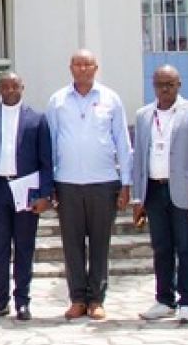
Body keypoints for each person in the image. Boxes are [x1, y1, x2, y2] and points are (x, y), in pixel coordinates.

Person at [46, 49, 133, 321]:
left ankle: (96, 299)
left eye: (88, 64)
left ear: (96, 68)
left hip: (103, 181)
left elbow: (122, 141)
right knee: (72, 244)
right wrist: (49, 182)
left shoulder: (111, 99)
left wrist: (126, 182)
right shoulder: (58, 100)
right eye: (78, 64)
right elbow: (50, 141)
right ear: (70, 68)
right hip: (67, 182)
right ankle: (77, 299)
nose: (83, 69)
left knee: (99, 243)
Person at [131, 65, 188, 324]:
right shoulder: (144, 115)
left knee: (186, 246)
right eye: (159, 84)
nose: (164, 90)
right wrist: (137, 198)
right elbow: (138, 160)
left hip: (184, 190)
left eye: (170, 84)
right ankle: (164, 299)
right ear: (152, 85)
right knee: (161, 247)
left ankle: (187, 302)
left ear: (179, 85)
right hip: (154, 189)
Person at [0, 70, 54, 322]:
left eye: (14, 86)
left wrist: (44, 194)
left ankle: (23, 301)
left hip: (26, 192)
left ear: (22, 87)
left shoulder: (37, 119)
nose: (9, 91)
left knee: (24, 247)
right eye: (5, 86)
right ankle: (0, 300)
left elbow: (46, 161)